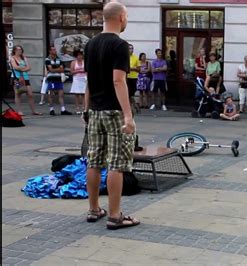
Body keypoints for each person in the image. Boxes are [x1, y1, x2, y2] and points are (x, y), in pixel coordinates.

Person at [83, 1, 140, 230]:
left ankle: (94, 209)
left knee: (94, 160)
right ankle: (115, 216)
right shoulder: (119, 45)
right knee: (117, 163)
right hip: (114, 111)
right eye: (126, 16)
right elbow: (119, 80)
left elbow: (88, 81)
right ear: (121, 18)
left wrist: (86, 109)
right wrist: (128, 115)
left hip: (95, 110)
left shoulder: (91, 44)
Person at [9, 45, 42, 116]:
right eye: (18, 50)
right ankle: (19, 111)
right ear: (14, 50)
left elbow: (29, 67)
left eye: (20, 50)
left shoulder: (24, 58)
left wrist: (22, 68)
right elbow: (15, 67)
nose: (19, 51)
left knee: (30, 94)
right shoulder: (12, 58)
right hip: (17, 78)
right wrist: (24, 68)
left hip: (25, 78)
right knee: (18, 94)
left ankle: (33, 111)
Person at [45, 46, 72, 116]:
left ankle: (63, 110)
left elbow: (62, 69)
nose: (55, 51)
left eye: (55, 49)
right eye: (53, 50)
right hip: (51, 79)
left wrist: (55, 69)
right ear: (50, 51)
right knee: (50, 94)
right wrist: (58, 69)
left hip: (58, 79)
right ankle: (51, 110)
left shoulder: (59, 59)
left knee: (61, 94)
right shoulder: (47, 59)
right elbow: (50, 69)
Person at [70, 49, 87, 114]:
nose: (80, 57)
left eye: (81, 55)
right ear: (76, 56)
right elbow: (71, 72)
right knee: (77, 94)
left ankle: (83, 107)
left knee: (83, 94)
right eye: (78, 55)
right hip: (77, 79)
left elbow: (87, 70)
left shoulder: (84, 62)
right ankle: (77, 107)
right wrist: (78, 71)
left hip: (84, 79)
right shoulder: (73, 62)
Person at [127, 44, 140, 113]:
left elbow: (139, 69)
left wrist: (132, 68)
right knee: (128, 93)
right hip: (126, 78)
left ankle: (134, 106)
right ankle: (132, 107)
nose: (131, 50)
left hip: (134, 77)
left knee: (131, 93)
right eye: (129, 48)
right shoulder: (124, 57)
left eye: (132, 48)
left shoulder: (136, 58)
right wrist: (132, 68)